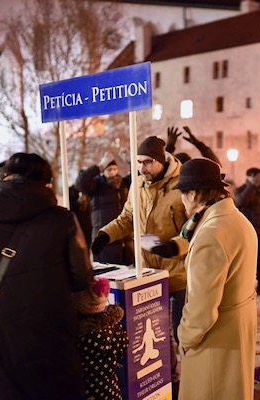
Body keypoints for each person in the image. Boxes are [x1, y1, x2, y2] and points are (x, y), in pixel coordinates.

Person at [0, 152, 93, 400]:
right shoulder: (62, 220)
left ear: (6, 177)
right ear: (46, 184)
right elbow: (81, 279)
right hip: (50, 335)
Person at [90, 136, 187, 394]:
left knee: (182, 334)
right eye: (138, 162)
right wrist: (104, 235)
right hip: (148, 274)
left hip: (180, 274)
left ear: (161, 160)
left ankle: (187, 383)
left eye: (147, 163)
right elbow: (127, 218)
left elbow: (194, 227)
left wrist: (175, 246)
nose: (141, 168)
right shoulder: (138, 184)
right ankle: (167, 380)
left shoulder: (182, 184)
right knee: (156, 333)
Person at [167, 158, 257, 399]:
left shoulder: (211, 234)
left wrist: (184, 337)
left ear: (194, 194)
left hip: (215, 342)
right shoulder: (238, 220)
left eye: (183, 194)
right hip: (237, 331)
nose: (182, 201)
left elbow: (202, 309)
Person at [74, 277, 128, 400]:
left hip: (87, 391)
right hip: (110, 388)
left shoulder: (77, 334)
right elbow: (123, 347)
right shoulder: (113, 327)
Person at [76, 153, 132, 265]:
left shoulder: (122, 184)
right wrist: (100, 166)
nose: (113, 172)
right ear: (104, 171)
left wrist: (131, 162)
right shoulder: (96, 186)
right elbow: (81, 183)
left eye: (115, 169)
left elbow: (138, 175)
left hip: (125, 240)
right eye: (109, 169)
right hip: (104, 238)